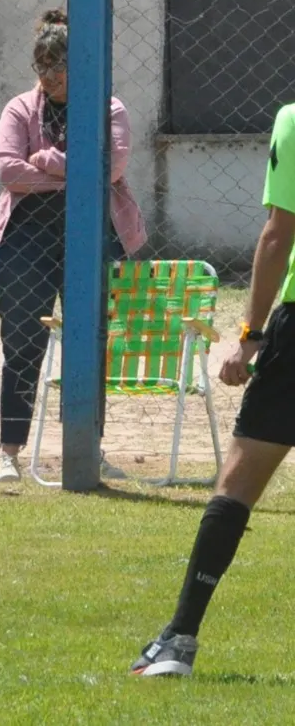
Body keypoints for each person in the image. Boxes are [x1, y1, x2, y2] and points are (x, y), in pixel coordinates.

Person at [130, 103, 295, 677]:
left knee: (238, 483)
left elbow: (278, 235)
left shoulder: (294, 120)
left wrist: (249, 336)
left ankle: (179, 640)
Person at [0, 8, 147, 484]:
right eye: (42, 69)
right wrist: (75, 170)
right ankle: (9, 454)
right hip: (24, 241)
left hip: (95, 237)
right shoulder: (19, 108)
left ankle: (87, 449)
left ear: (80, 66)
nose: (49, 79)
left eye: (58, 70)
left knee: (90, 343)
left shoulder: (108, 108)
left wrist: (48, 159)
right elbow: (8, 171)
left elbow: (111, 168)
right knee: (22, 346)